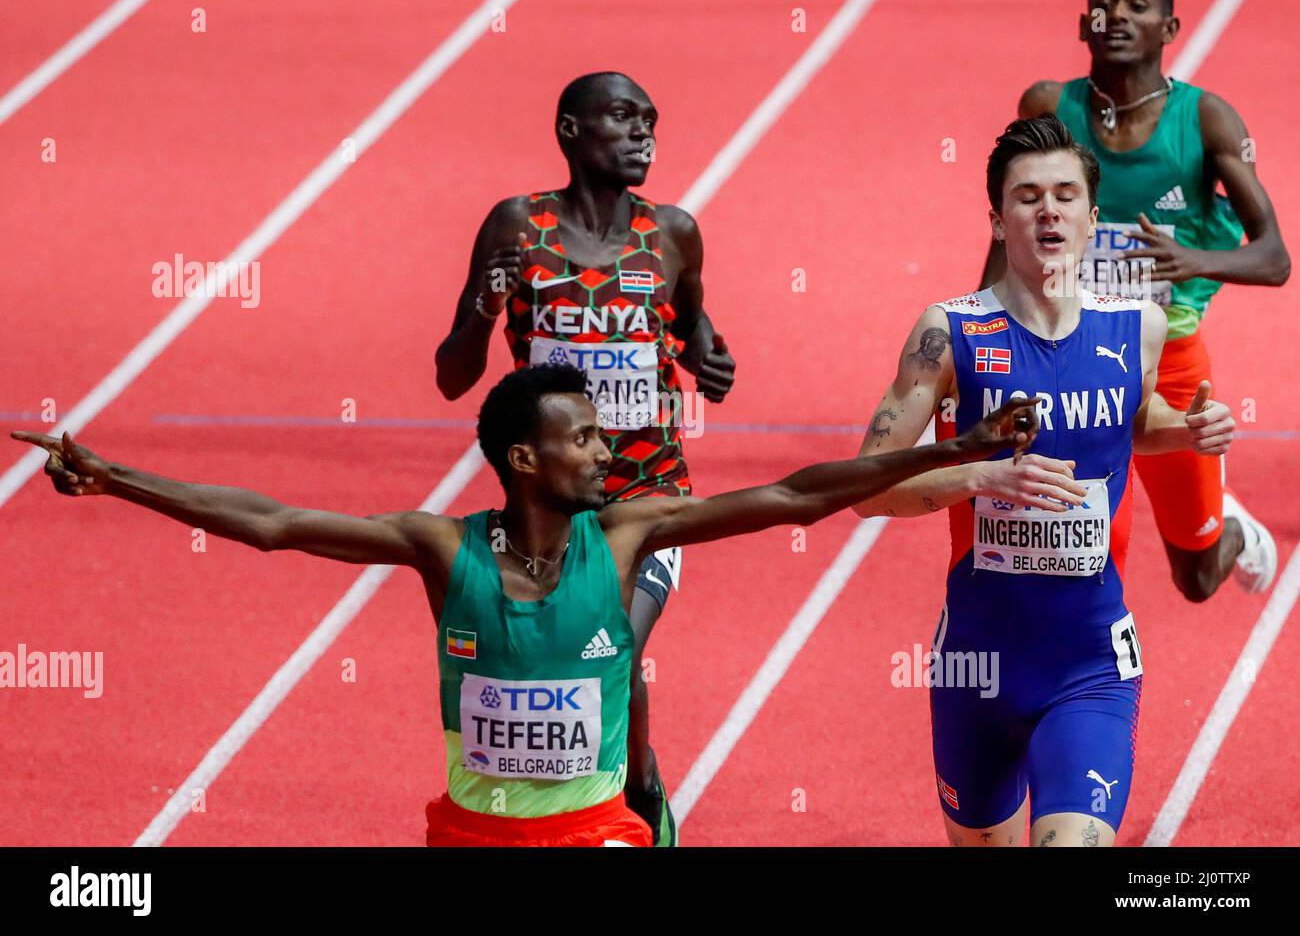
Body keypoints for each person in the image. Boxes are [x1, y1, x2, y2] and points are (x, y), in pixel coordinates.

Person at [13, 363, 1038, 846]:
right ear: (523, 458)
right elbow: (273, 520)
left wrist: (947, 449)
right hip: (471, 831)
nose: (606, 448)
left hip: (597, 828)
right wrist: (116, 479)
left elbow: (788, 498)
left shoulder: (629, 534)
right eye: (584, 437)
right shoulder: (439, 546)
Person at [855, 114, 1236, 846]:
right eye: (1027, 197)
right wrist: (982, 474)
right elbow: (867, 487)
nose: (1048, 211)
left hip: (1089, 661)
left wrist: (1186, 430)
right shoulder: (950, 334)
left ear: (1094, 218)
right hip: (974, 665)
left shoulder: (1138, 326)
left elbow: (1134, 420)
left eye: (1065, 196)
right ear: (997, 219)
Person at [435, 70, 737, 845]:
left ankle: (635, 797)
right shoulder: (516, 227)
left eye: (651, 120)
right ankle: (604, 790)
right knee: (581, 657)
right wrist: (485, 306)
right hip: (551, 510)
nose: (644, 134)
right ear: (570, 130)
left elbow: (694, 323)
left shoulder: (672, 232)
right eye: (623, 118)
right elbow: (451, 376)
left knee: (613, 639)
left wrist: (710, 359)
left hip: (647, 499)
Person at [979, 0, 1289, 602]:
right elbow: (1004, 236)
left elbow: (1274, 257)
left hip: (1169, 359)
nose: (1116, 13)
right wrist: (980, 340)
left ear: (1169, 31)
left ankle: (1232, 528)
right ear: (1083, 24)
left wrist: (1190, 258)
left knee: (1197, 580)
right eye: (1105, 2)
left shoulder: (1205, 120)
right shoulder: (1047, 106)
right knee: (1077, 546)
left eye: (1137, 5)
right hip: (1064, 353)